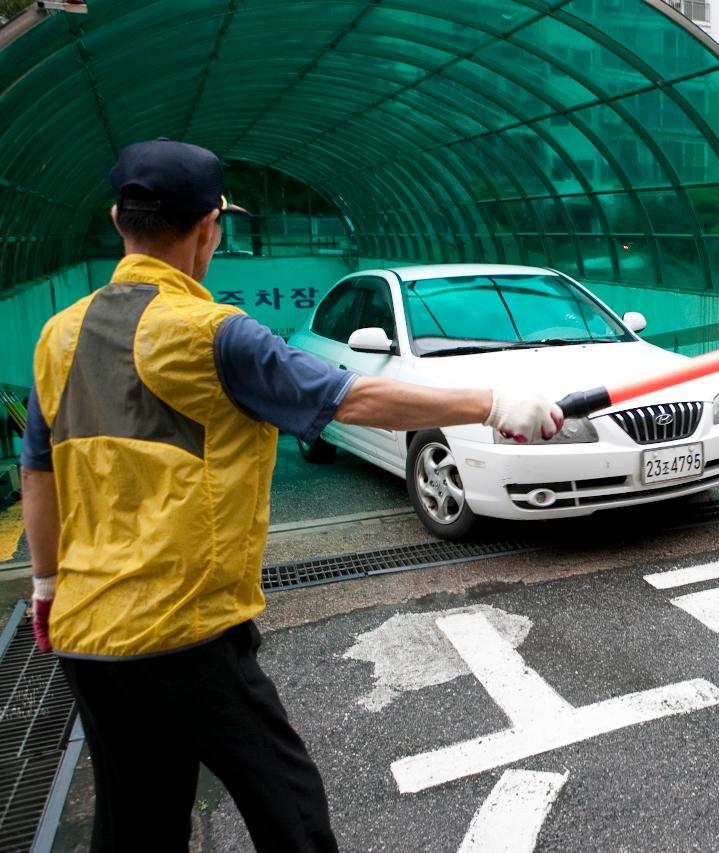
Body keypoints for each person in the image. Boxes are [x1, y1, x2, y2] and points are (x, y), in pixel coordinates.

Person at [20, 139, 565, 852]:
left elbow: (39, 470)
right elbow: (355, 397)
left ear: (118, 220)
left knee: (138, 821)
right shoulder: (215, 334)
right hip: (184, 630)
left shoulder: (57, 336)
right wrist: (493, 404)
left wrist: (46, 585)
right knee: (291, 810)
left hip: (87, 635)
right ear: (210, 227)